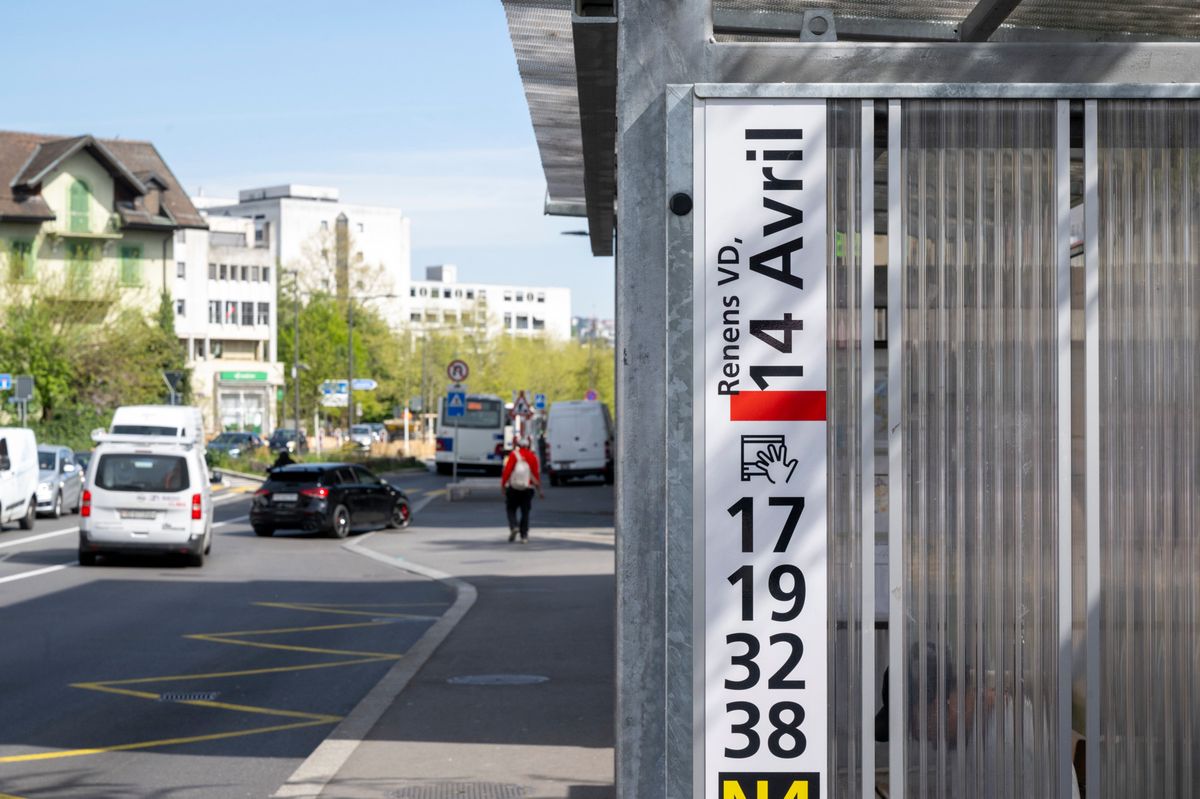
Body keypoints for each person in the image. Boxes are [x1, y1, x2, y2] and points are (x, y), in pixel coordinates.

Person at [500, 436, 543, 543]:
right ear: (528, 446)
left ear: (518, 445)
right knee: (525, 512)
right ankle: (524, 536)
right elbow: (536, 475)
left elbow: (507, 471)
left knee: (510, 509)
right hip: (527, 488)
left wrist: (503, 485)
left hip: (514, 487)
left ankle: (514, 526)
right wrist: (539, 490)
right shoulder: (532, 457)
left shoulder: (514, 455)